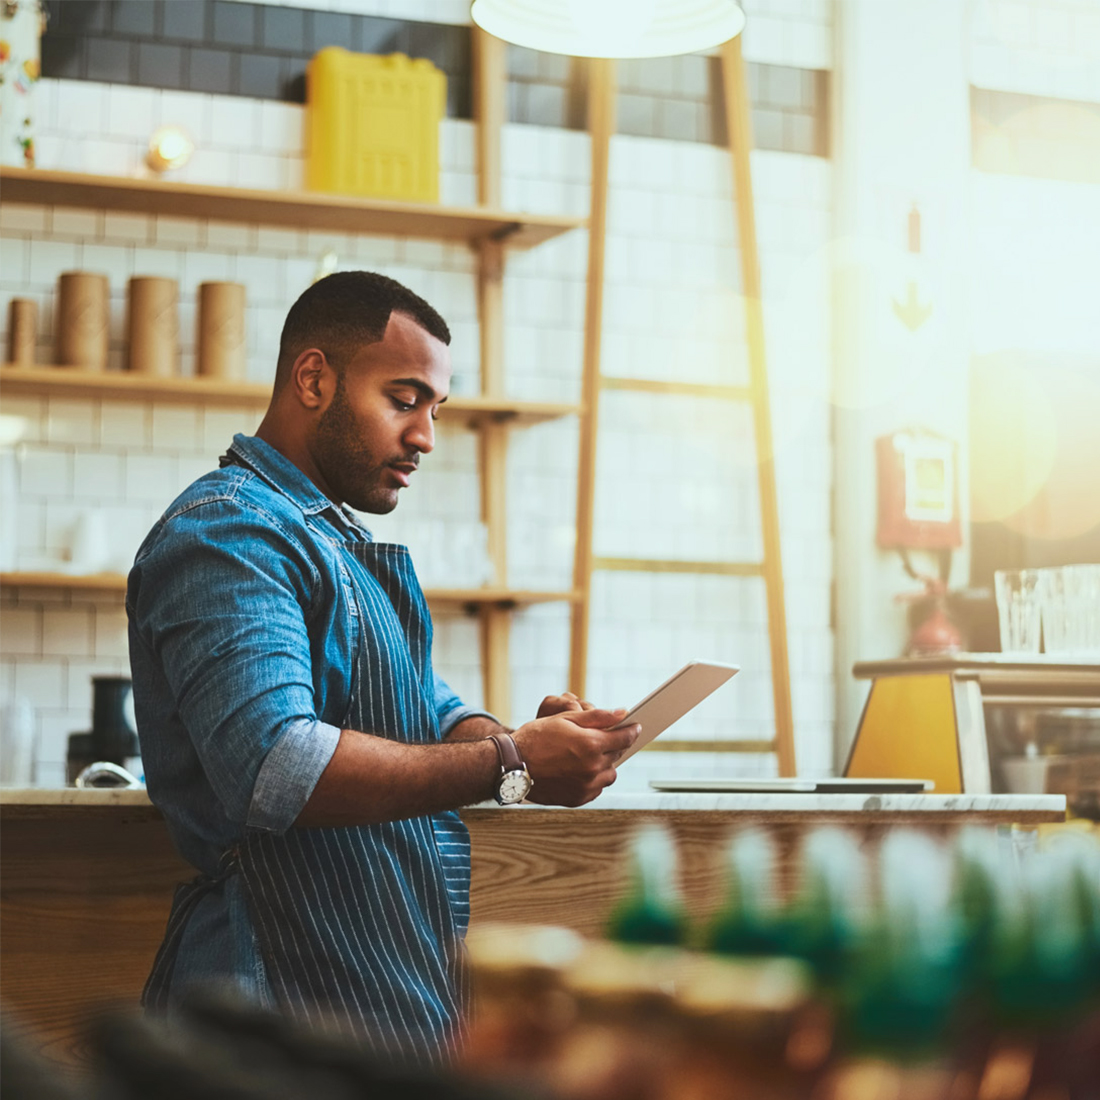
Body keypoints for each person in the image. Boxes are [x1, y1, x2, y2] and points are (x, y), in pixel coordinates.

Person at [127, 271, 639, 1064]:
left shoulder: (327, 538)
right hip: (267, 1000)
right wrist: (509, 761)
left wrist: (524, 742)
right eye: (404, 399)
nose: (427, 436)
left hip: (373, 991)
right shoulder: (229, 533)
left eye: (436, 409)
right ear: (314, 378)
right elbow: (274, 765)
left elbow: (425, 710)